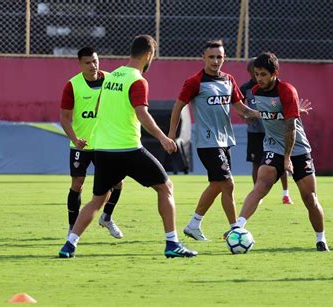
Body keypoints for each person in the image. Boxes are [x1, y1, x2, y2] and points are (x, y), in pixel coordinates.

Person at [59, 35, 197, 258]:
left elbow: (98, 107)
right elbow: (142, 113)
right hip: (128, 150)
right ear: (149, 55)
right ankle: (172, 244)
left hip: (103, 150)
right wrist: (163, 138)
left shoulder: (111, 77)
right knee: (165, 187)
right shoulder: (137, 80)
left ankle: (69, 244)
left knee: (97, 199)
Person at [233, 52, 330, 252]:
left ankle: (321, 239)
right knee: (261, 185)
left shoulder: (286, 90)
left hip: (297, 148)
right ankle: (237, 227)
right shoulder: (256, 90)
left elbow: (290, 128)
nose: (258, 78)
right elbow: (259, 113)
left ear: (275, 73)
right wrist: (235, 102)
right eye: (256, 74)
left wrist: (287, 159)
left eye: (263, 74)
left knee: (309, 198)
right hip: (272, 145)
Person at [168, 39, 260, 241]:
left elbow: (241, 108)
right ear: (203, 58)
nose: (216, 61)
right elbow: (178, 107)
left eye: (219, 57)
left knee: (218, 185)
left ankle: (193, 224)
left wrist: (264, 114)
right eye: (211, 57)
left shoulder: (228, 79)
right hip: (207, 142)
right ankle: (235, 229)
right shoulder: (194, 82)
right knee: (227, 183)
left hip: (225, 140)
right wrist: (171, 136)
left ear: (224, 58)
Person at [60, 46, 123, 239]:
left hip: (106, 144)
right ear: (79, 64)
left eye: (95, 61)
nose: (92, 65)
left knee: (118, 183)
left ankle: (106, 217)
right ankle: (72, 226)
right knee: (78, 183)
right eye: (87, 62)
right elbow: (64, 118)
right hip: (81, 145)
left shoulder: (111, 81)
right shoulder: (72, 85)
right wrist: (75, 139)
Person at [240, 58, 294, 205]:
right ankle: (258, 192)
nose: (257, 76)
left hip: (274, 130)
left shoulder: (276, 86)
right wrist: (246, 117)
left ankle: (285, 193)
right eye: (254, 73)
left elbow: (286, 106)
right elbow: (239, 105)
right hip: (255, 131)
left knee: (280, 162)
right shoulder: (246, 88)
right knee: (256, 162)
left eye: (260, 73)